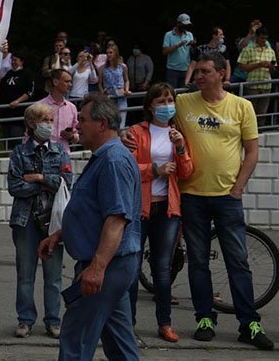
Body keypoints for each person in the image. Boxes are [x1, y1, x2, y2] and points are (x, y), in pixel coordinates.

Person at [121, 51, 274, 351]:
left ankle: (249, 322)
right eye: (197, 72)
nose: (198, 77)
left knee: (238, 261)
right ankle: (205, 317)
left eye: (204, 71)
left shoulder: (242, 106)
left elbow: (252, 151)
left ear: (220, 73)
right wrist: (127, 133)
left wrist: (239, 188)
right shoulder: (183, 102)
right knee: (198, 262)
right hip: (191, 197)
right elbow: (154, 122)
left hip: (227, 197)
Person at [38, 93, 141, 361]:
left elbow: (116, 219)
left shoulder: (113, 161)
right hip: (112, 265)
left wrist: (97, 267)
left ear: (102, 124)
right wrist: (61, 234)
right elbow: (93, 212)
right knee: (119, 343)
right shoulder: (106, 157)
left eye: (82, 120)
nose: (76, 125)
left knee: (76, 338)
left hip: (108, 265)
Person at [126, 82, 193, 343]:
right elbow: (128, 165)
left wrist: (180, 149)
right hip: (140, 207)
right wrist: (154, 170)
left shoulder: (178, 134)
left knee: (162, 269)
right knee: (131, 268)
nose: (166, 106)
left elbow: (186, 172)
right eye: (161, 101)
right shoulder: (136, 131)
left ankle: (164, 323)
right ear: (150, 105)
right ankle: (128, 323)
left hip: (167, 208)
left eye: (169, 100)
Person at [7, 102, 72, 340]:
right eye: (43, 120)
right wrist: (45, 184)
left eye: (50, 121)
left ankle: (53, 320)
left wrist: (39, 177)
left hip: (52, 222)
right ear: (30, 124)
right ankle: (25, 320)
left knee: (53, 276)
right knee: (25, 274)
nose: (48, 125)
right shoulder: (19, 152)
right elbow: (15, 187)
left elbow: (65, 182)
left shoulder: (60, 152)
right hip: (25, 221)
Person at [0, 53, 35, 149]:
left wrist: (17, 101)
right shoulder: (9, 74)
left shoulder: (27, 74)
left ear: (21, 61)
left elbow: (30, 91)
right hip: (6, 112)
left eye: (15, 60)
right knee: (6, 140)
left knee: (16, 138)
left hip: (18, 114)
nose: (13, 62)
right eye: (12, 60)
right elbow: (1, 89)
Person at [237, 26, 277, 125]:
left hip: (266, 85)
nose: (264, 40)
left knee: (262, 112)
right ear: (256, 37)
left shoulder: (271, 50)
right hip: (252, 85)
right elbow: (241, 66)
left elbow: (274, 68)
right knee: (249, 112)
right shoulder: (248, 49)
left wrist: (270, 67)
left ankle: (260, 130)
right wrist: (257, 65)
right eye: (262, 38)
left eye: (265, 38)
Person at [38, 69, 78, 154]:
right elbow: (29, 134)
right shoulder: (39, 106)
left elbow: (77, 135)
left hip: (64, 157)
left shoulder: (72, 108)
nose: (70, 85)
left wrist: (71, 137)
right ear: (55, 82)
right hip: (44, 155)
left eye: (71, 82)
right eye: (67, 81)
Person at [99, 44, 131, 128]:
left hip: (121, 95)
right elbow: (99, 83)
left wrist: (126, 89)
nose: (109, 55)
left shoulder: (123, 66)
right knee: (111, 123)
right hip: (109, 96)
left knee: (121, 123)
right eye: (107, 53)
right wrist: (102, 92)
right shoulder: (102, 68)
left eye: (111, 52)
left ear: (115, 53)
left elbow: (126, 80)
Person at [162, 13, 195, 88]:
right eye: (183, 25)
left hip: (186, 69)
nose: (185, 27)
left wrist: (193, 45)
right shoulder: (169, 35)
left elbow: (192, 52)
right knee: (172, 91)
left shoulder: (189, 35)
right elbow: (164, 51)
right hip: (172, 70)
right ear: (178, 23)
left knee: (184, 93)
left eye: (187, 25)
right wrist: (178, 45)